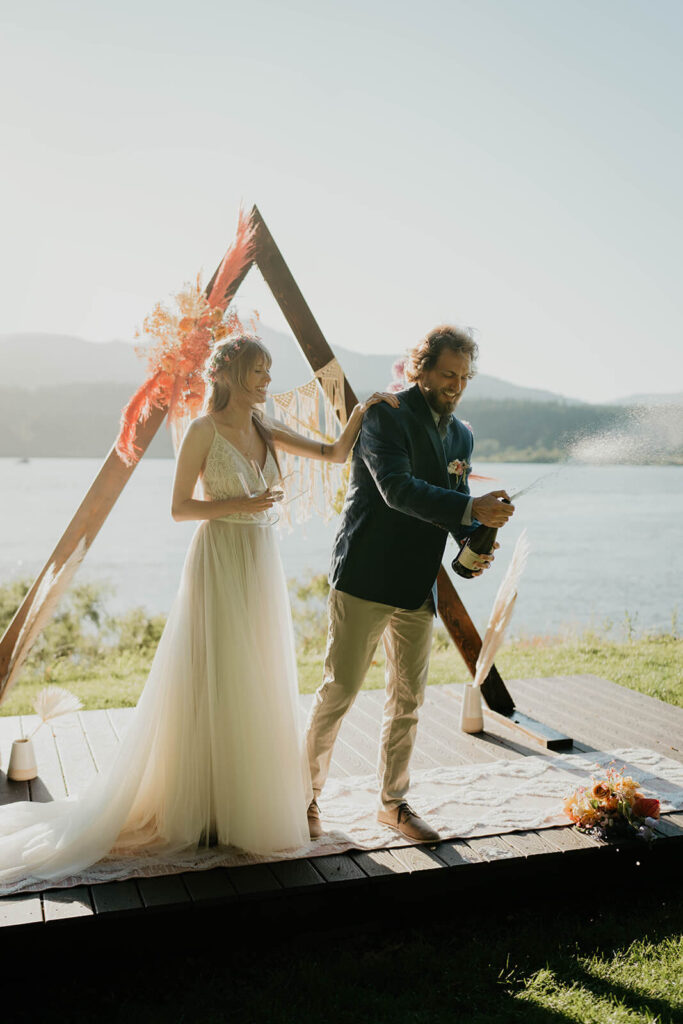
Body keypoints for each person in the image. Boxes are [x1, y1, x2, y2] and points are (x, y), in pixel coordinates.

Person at [0, 336, 397, 893]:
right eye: (257, 371)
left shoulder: (264, 427)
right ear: (230, 374)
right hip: (218, 557)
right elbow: (179, 507)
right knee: (213, 673)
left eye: (267, 370)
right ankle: (203, 809)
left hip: (259, 563)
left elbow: (333, 454)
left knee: (252, 677)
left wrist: (360, 413)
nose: (265, 380)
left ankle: (237, 806)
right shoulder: (203, 431)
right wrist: (242, 504)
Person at [304, 325, 515, 844]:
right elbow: (397, 490)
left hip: (418, 584)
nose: (456, 384)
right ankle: (302, 796)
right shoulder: (384, 415)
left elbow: (456, 501)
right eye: (448, 373)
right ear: (419, 368)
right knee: (340, 690)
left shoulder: (462, 435)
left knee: (408, 699)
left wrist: (478, 535)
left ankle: (393, 805)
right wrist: (469, 507)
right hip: (365, 574)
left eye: (464, 377)